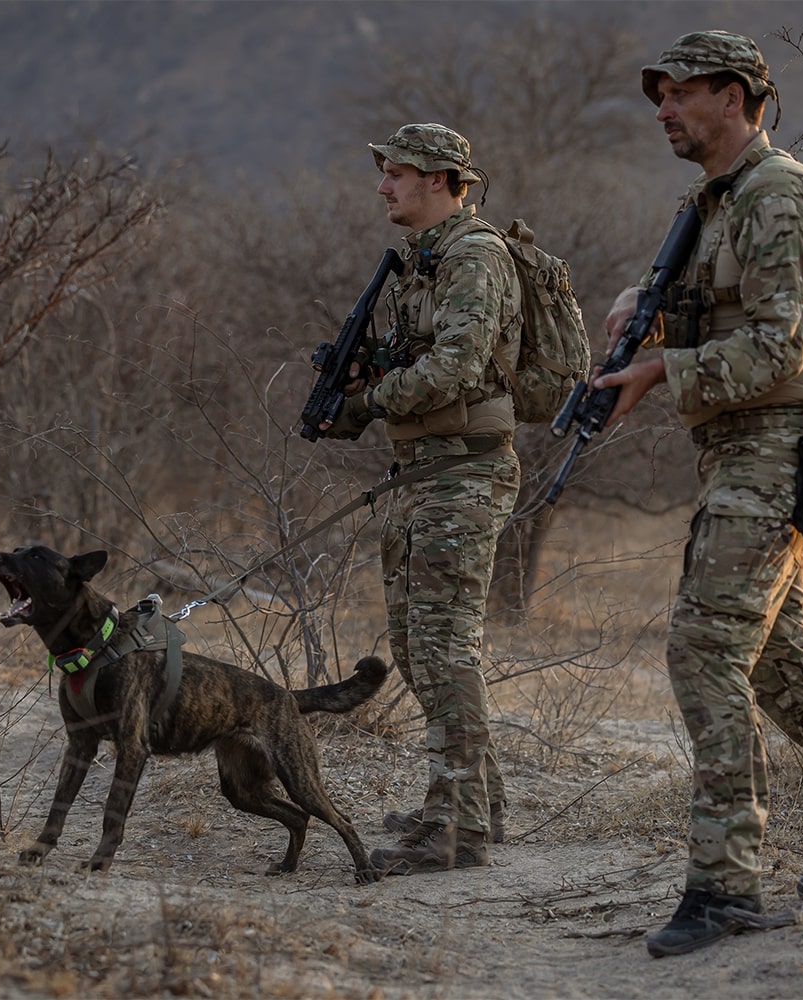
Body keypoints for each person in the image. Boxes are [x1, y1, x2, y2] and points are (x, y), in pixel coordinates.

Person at [587, 32, 803, 956]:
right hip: (743, 450)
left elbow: (783, 345)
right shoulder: (720, 202)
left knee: (703, 651)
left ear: (737, 96)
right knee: (785, 672)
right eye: (657, 94)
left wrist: (663, 368)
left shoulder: (777, 193)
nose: (662, 109)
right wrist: (645, 306)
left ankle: (726, 888)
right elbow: (726, 310)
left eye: (680, 93)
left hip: (775, 450)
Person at [319, 123, 517, 876]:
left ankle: (458, 827)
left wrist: (375, 402)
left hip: (463, 470)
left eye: (397, 173)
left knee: (440, 647)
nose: (383, 186)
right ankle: (470, 803)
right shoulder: (422, 266)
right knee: (415, 644)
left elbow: (458, 369)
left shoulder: (474, 257)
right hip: (425, 469)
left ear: (440, 179)